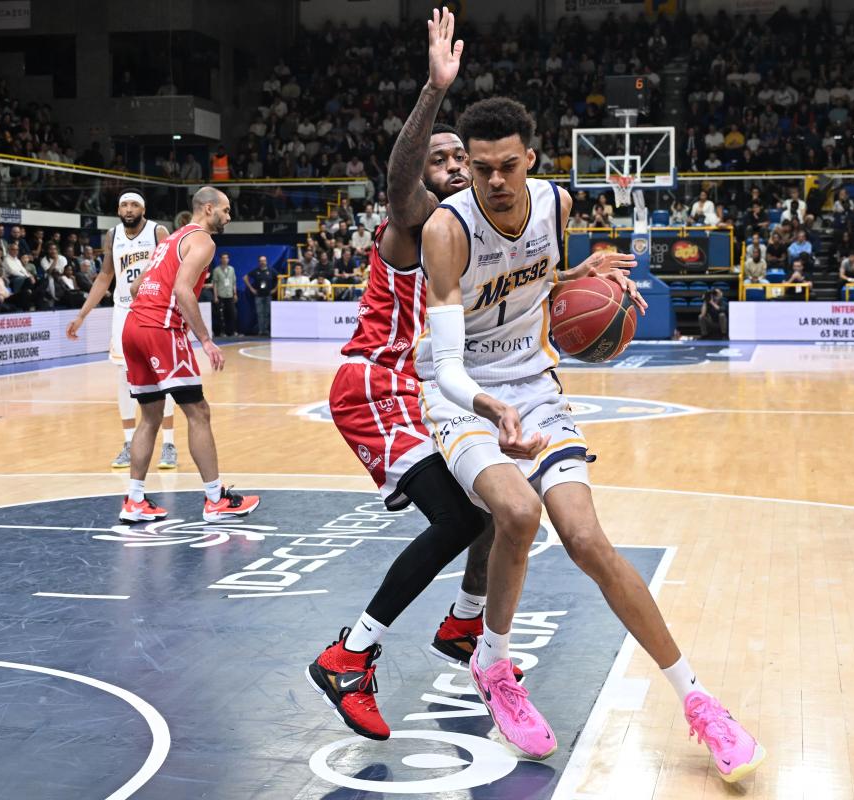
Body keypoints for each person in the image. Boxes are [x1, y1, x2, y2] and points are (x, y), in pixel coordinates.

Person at [415, 95, 764, 780]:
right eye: (480, 168)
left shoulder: (558, 205)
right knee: (517, 513)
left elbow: (531, 286)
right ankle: (493, 662)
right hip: (462, 396)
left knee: (587, 539)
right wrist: (490, 407)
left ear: (531, 161)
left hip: (534, 385)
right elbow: (450, 363)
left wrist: (577, 277)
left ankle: (698, 700)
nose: (491, 180)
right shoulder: (445, 232)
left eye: (506, 166)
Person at [307, 9, 539, 742]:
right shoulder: (417, 221)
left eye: (458, 161)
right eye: (441, 159)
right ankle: (351, 652)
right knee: (464, 516)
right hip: (376, 384)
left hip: (424, 393)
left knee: (499, 498)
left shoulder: (480, 229)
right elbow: (401, 183)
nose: (452, 168)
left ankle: (465, 626)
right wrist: (435, 95)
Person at [119, 187, 259, 524]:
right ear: (208, 208)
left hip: (133, 327)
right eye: (225, 211)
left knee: (150, 416)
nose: (228, 217)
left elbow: (137, 288)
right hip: (160, 329)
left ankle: (134, 500)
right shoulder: (203, 242)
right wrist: (206, 340)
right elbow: (182, 289)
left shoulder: (170, 240)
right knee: (198, 412)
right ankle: (215, 499)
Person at [67, 192, 178, 470]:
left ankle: (169, 444)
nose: (129, 210)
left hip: (154, 309)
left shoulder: (158, 231)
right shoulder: (113, 235)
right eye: (124, 205)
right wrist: (82, 315)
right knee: (124, 377)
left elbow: (171, 270)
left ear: (144, 208)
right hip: (123, 312)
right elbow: (105, 277)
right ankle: (129, 442)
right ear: (118, 209)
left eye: (134, 205)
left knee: (161, 376)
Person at [246, 256, 275, 336]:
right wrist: (251, 289)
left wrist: (275, 289)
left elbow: (280, 278)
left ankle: (266, 330)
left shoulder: (271, 270)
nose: (262, 262)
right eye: (261, 261)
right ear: (259, 262)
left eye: (264, 260)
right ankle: (261, 330)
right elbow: (245, 278)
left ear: (266, 261)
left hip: (268, 295)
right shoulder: (256, 271)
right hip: (259, 295)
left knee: (267, 313)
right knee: (260, 313)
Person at [211, 253, 238, 336]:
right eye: (223, 258)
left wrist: (235, 294)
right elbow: (214, 284)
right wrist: (215, 296)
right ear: (220, 259)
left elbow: (234, 282)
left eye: (226, 258)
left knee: (232, 314)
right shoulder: (216, 270)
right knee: (221, 315)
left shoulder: (231, 269)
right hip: (221, 295)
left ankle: (232, 331)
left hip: (229, 294)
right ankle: (222, 332)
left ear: (228, 259)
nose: (225, 260)